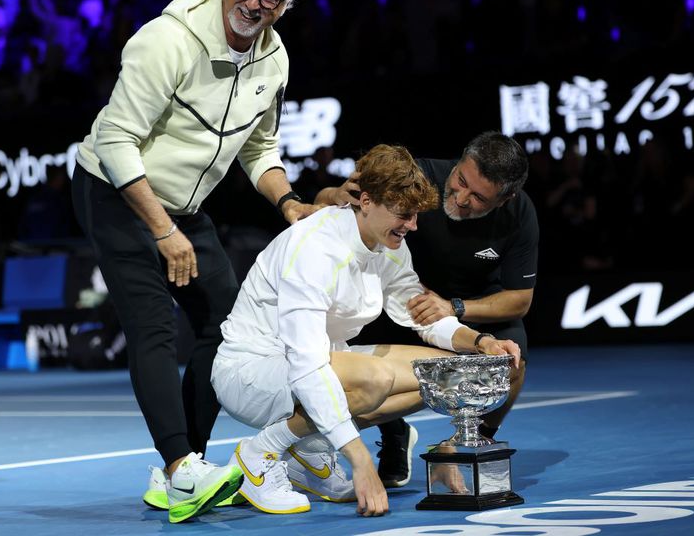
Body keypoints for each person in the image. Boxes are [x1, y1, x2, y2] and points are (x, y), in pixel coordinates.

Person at [70, 0, 319, 524]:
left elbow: (259, 149)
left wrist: (286, 202)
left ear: (285, 6)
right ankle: (180, 464)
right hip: (115, 190)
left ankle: (187, 467)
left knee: (227, 323)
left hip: (185, 205)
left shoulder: (274, 59)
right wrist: (162, 231)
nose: (253, 3)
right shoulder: (168, 40)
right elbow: (115, 140)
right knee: (154, 324)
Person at [210, 144, 521, 517]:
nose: (413, 225)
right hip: (253, 373)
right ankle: (261, 452)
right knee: (372, 379)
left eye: (416, 216)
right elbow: (307, 365)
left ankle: (307, 452)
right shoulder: (315, 248)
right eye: (404, 215)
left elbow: (419, 313)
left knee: (445, 375)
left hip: (316, 366)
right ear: (367, 201)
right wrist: (359, 460)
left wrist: (480, 342)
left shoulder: (390, 245)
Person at [315, 131, 537, 488]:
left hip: (467, 307)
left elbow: (520, 299)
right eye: (461, 181)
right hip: (401, 296)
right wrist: (332, 195)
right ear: (461, 158)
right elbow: (333, 199)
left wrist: (455, 308)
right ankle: (392, 433)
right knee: (360, 347)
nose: (461, 198)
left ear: (505, 198)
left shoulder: (519, 213)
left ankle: (458, 446)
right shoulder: (413, 177)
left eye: (478, 197)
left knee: (511, 361)